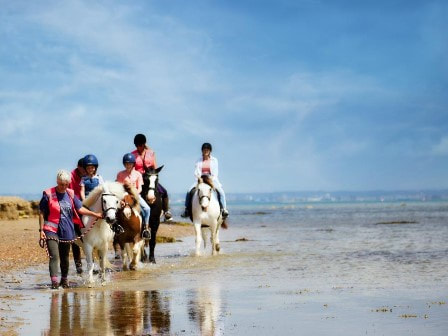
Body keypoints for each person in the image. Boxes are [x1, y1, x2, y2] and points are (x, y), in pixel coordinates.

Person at [38, 170, 103, 289]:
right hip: (51, 229)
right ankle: (54, 283)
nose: (63, 187)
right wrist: (41, 230)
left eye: (66, 184)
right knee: (54, 256)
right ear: (57, 182)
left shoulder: (71, 194)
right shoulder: (48, 194)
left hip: (67, 230)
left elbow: (80, 209)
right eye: (61, 184)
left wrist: (95, 214)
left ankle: (64, 279)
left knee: (65, 257)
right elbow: (42, 212)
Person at [181, 142, 229, 220]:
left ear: (210, 151)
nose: (206, 151)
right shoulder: (198, 160)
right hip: (200, 179)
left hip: (211, 179)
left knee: (221, 192)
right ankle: (187, 210)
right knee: (189, 191)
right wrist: (199, 178)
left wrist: (210, 180)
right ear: (202, 151)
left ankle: (224, 209)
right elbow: (196, 171)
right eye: (204, 150)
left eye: (207, 150)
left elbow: (215, 173)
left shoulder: (214, 160)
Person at [131, 133, 172, 221]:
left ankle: (166, 211)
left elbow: (155, 168)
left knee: (164, 191)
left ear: (144, 144)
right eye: (137, 145)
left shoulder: (151, 153)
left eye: (140, 145)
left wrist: (155, 178)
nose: (138, 147)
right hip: (138, 179)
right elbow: (132, 169)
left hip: (149, 178)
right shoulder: (132, 155)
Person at [116, 153, 151, 235]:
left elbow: (140, 188)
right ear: (124, 164)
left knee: (147, 209)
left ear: (133, 164)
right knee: (114, 209)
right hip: (124, 196)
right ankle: (116, 227)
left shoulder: (138, 174)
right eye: (126, 163)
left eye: (130, 163)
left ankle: (146, 228)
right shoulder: (120, 174)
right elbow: (119, 188)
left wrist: (134, 194)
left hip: (135, 195)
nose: (128, 165)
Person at [68, 158, 86, 274]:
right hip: (73, 209)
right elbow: (68, 193)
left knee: (88, 236)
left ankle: (92, 262)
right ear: (79, 167)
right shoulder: (70, 176)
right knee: (75, 239)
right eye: (84, 168)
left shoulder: (88, 176)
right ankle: (78, 265)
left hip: (85, 206)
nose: (87, 170)